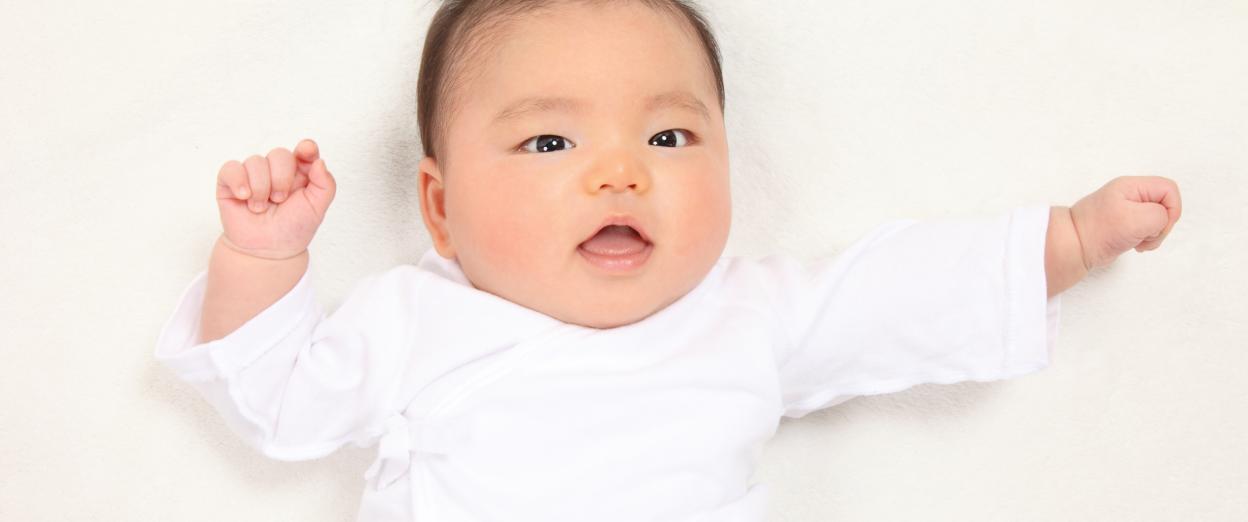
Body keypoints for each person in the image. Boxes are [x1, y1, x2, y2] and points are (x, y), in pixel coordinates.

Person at [154, 0, 1182, 520]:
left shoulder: (749, 312)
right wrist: (262, 259)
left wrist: (1069, 239)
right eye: (549, 142)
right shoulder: (415, 320)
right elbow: (279, 401)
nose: (620, 174)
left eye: (669, 136)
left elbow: (903, 294)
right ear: (441, 207)